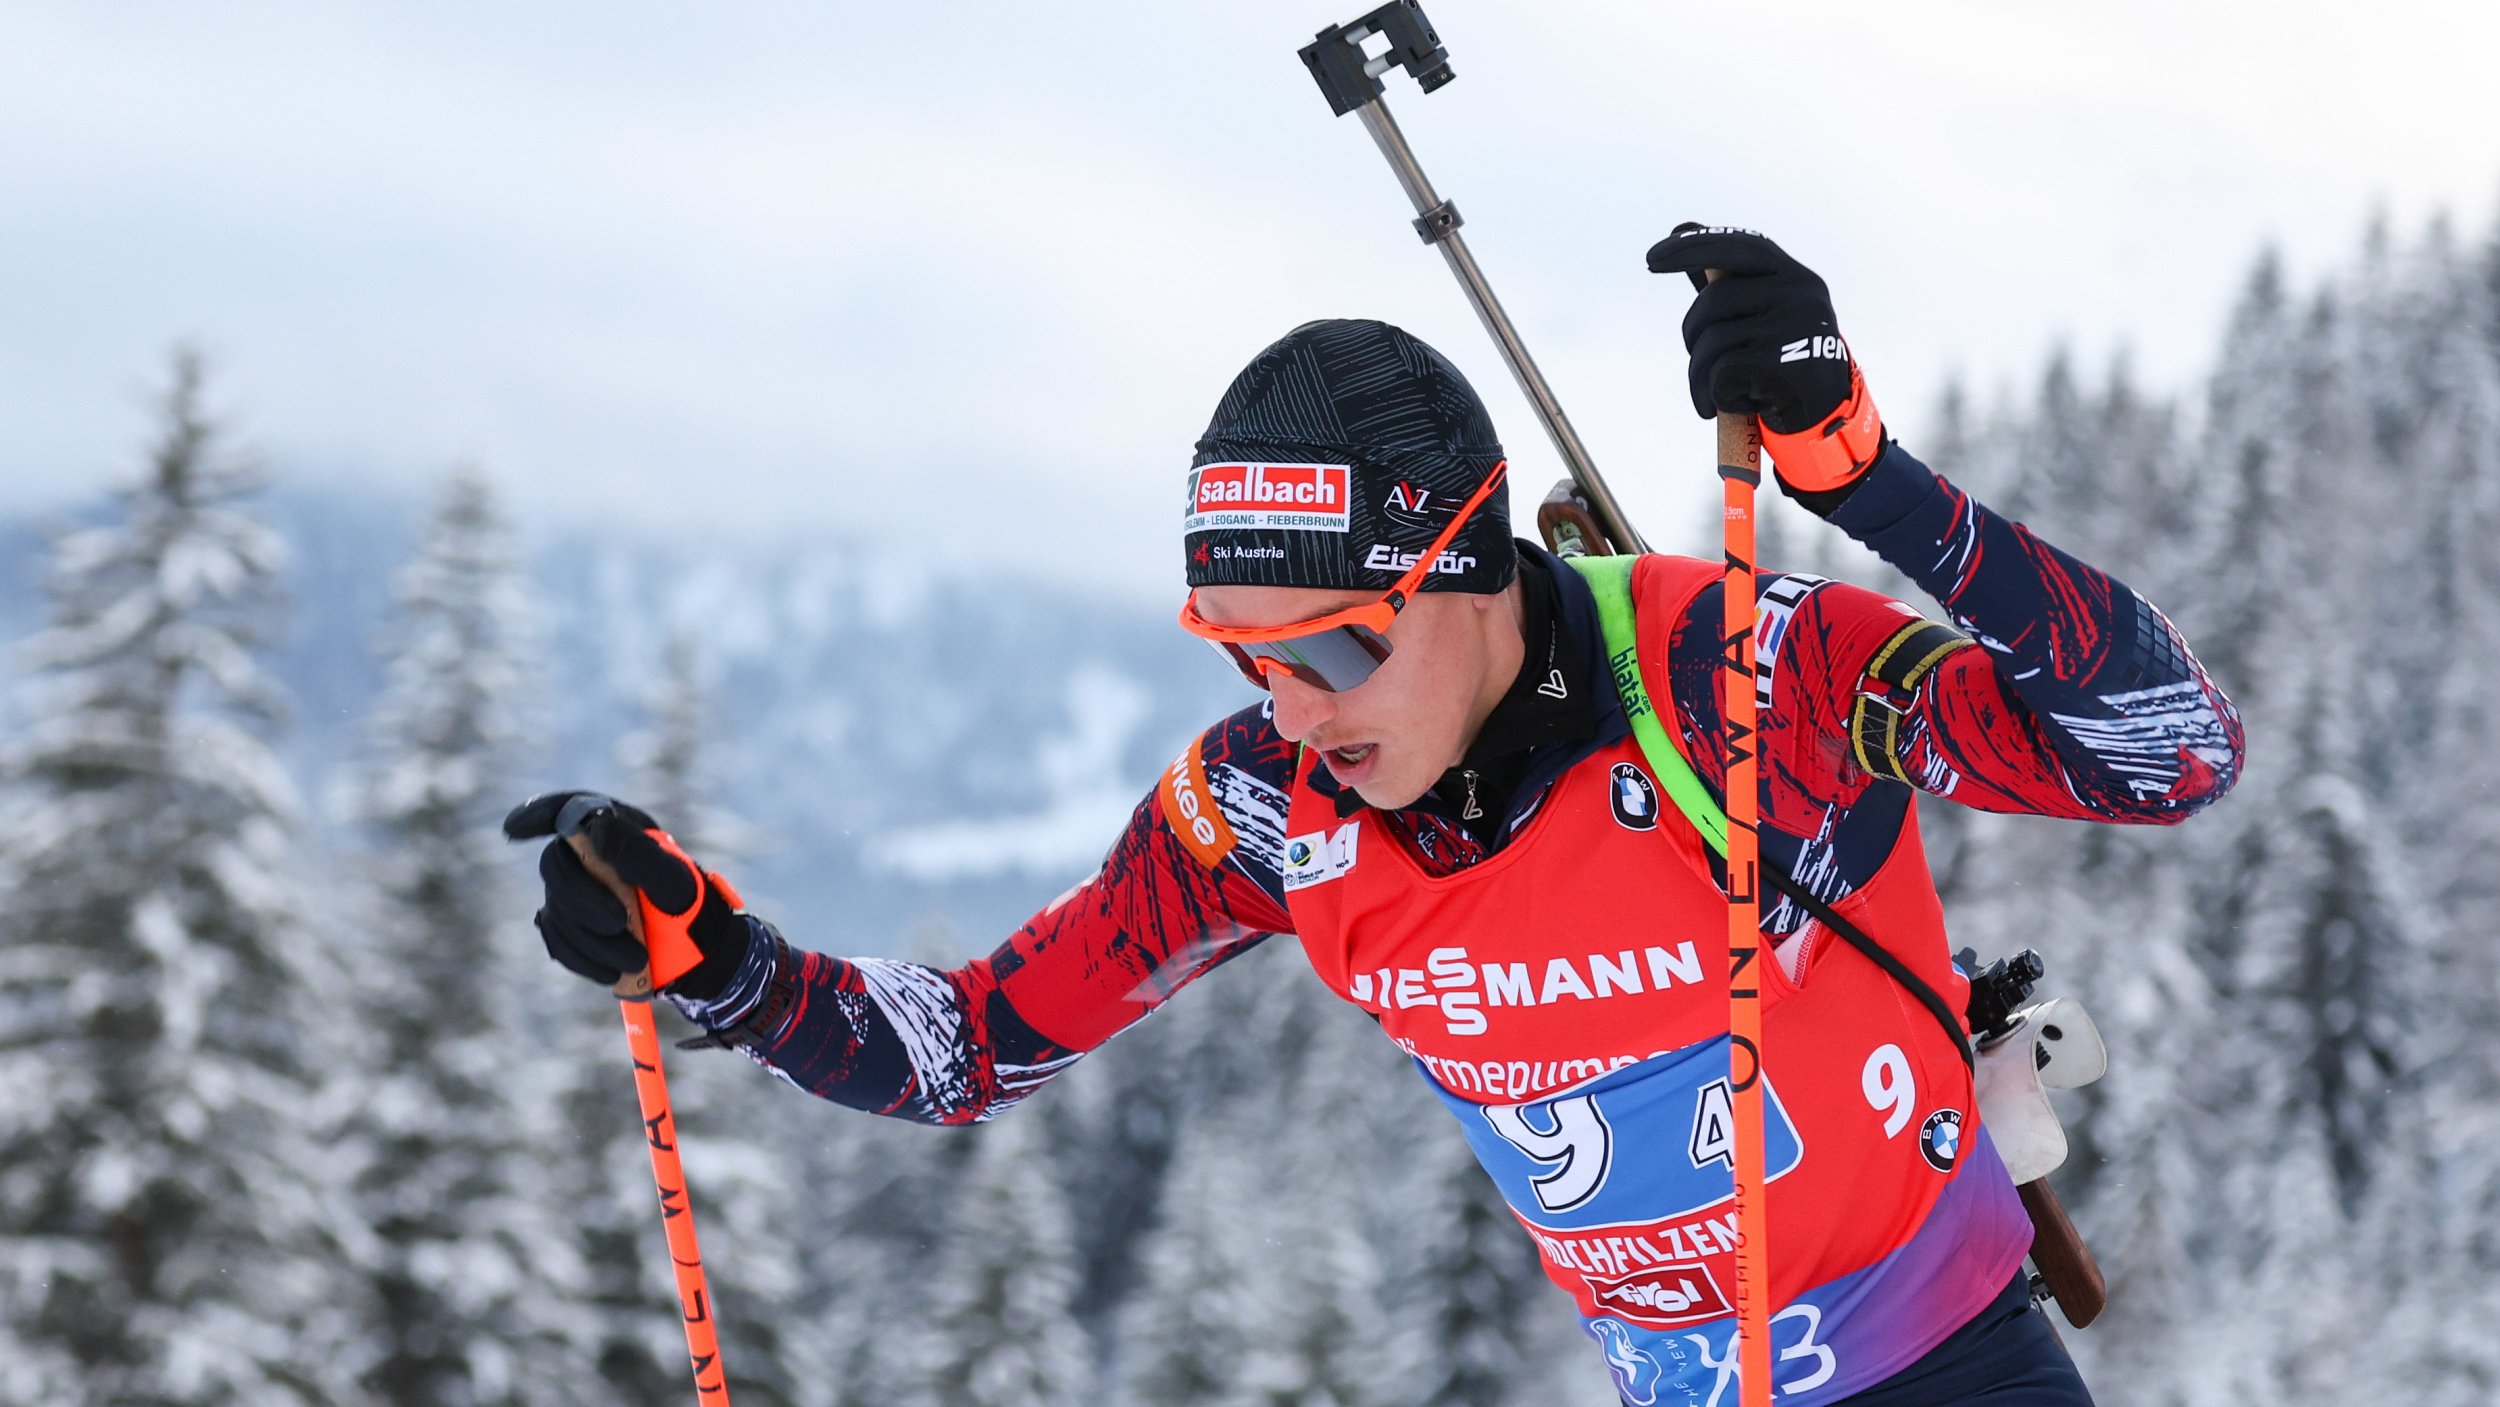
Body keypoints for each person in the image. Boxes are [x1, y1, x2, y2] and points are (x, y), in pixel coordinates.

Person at [507, 227, 2244, 1406]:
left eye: (1334, 647)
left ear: (1471, 568)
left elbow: (2169, 752)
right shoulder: (1266, 812)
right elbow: (973, 1048)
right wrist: (724, 967)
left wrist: (1867, 479)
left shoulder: (1745, 679)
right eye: (1243, 655)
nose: (1294, 707)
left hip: (1946, 1370)